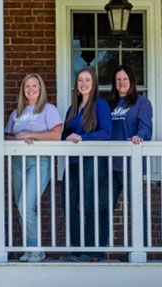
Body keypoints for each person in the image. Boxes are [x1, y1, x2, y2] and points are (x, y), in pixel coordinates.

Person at [3, 73, 63, 262]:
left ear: (40, 88)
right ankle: (30, 249)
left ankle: (37, 250)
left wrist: (32, 135)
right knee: (22, 206)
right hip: (17, 163)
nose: (30, 89)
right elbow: (6, 136)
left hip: (39, 161)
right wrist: (18, 138)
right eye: (27, 86)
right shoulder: (17, 112)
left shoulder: (48, 109)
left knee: (26, 205)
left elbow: (57, 135)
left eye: (34, 86)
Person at [60, 67, 113, 262]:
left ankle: (93, 252)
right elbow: (65, 134)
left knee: (91, 205)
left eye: (87, 80)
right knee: (68, 204)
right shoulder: (73, 108)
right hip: (73, 161)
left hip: (93, 160)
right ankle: (78, 250)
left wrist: (83, 138)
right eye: (80, 80)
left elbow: (106, 132)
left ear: (94, 83)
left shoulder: (100, 105)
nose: (83, 84)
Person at [107, 65, 152, 255]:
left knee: (136, 207)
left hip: (130, 164)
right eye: (118, 79)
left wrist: (139, 136)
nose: (121, 82)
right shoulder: (108, 103)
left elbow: (146, 129)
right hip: (108, 164)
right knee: (103, 207)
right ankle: (98, 250)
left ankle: (139, 251)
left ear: (132, 81)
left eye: (125, 79)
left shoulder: (142, 103)